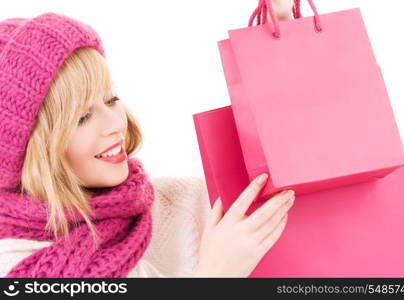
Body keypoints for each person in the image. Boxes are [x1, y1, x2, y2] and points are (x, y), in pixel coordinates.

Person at [0, 0, 296, 278]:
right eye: (82, 118)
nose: (116, 123)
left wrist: (281, 40)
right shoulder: (15, 262)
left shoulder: (177, 206)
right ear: (27, 150)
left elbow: (290, 172)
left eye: (111, 99)